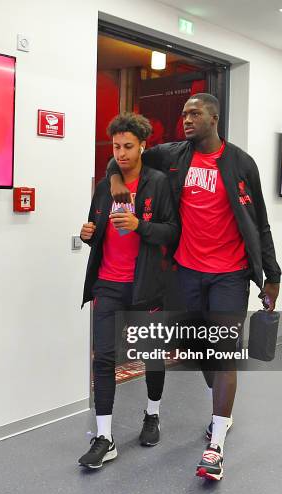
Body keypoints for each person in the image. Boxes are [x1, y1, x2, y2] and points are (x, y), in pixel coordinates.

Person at [107, 93, 282, 481]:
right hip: (186, 272)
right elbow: (121, 157)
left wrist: (272, 276)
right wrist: (117, 178)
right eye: (184, 114)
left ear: (214, 117)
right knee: (198, 348)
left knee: (223, 354)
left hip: (230, 275)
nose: (186, 120)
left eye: (194, 113)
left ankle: (216, 443)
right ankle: (219, 410)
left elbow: (260, 224)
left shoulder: (239, 163)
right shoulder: (173, 155)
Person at [79, 112, 179, 469]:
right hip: (107, 284)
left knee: (152, 355)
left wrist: (140, 225)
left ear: (142, 146)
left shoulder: (157, 183)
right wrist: (88, 236)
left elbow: (171, 232)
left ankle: (152, 414)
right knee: (104, 358)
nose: (121, 153)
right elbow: (98, 230)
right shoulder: (106, 186)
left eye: (128, 146)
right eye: (116, 146)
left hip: (145, 286)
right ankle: (104, 438)